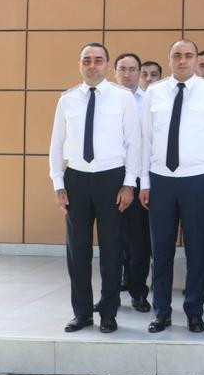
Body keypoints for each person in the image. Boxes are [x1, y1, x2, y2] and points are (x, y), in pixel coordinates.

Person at [139, 39, 204, 334]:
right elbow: (145, 140)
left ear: (195, 59)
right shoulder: (154, 92)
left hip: (198, 179)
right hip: (161, 180)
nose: (182, 60)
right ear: (169, 59)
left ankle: (194, 311)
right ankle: (162, 312)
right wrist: (144, 182)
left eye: (188, 55)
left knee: (196, 250)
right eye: (177, 55)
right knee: (161, 250)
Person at [48, 42, 140, 334]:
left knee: (112, 250)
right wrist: (58, 183)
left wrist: (129, 184)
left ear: (107, 65)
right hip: (76, 179)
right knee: (78, 251)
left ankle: (109, 314)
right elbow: (56, 144)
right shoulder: (67, 99)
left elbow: (134, 143)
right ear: (80, 65)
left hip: (112, 179)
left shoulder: (123, 98)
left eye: (98, 60)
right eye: (86, 60)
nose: (92, 65)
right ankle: (82, 313)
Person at [113, 52, 152, 314]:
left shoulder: (149, 101)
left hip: (139, 177)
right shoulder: (105, 98)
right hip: (109, 175)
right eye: (122, 69)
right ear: (114, 72)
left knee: (139, 241)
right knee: (113, 240)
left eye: (132, 69)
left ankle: (138, 292)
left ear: (140, 73)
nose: (127, 74)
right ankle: (111, 294)